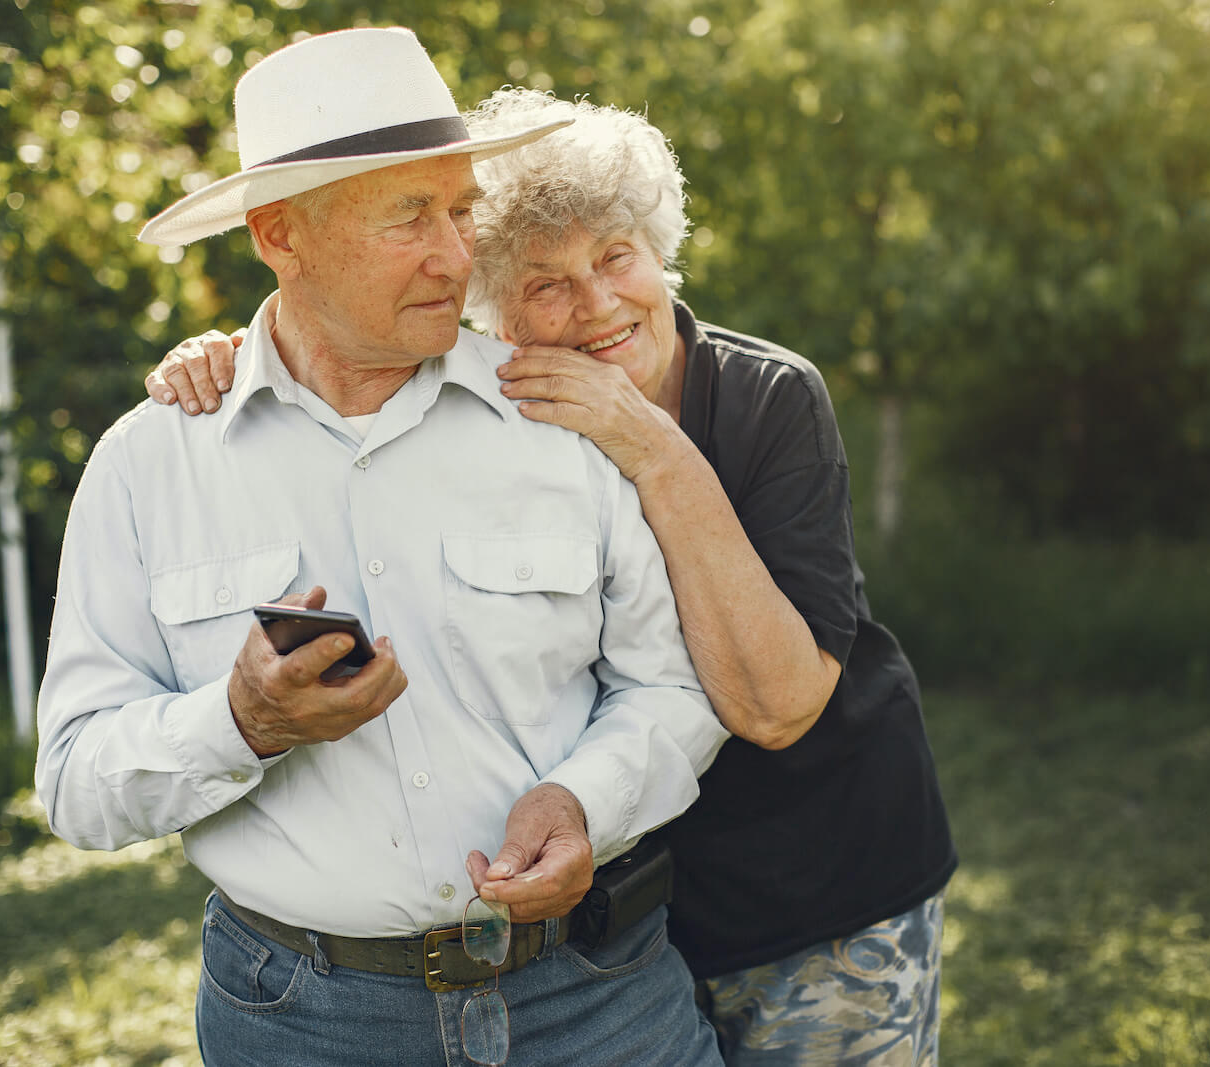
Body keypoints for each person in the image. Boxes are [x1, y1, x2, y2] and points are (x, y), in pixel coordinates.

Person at [150, 90, 958, 1065]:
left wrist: (651, 447)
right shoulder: (505, 410)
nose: (599, 303)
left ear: (657, 246)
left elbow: (780, 706)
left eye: (615, 255)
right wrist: (244, 357)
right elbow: (342, 352)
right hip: (622, 925)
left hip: (821, 892)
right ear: (489, 308)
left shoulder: (765, 398)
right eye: (546, 283)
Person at [36, 29, 732, 1067]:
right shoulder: (149, 465)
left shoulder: (559, 415)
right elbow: (75, 781)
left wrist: (584, 798)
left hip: (597, 1000)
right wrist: (241, 722)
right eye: (410, 215)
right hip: (301, 1023)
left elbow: (674, 685)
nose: (457, 254)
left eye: (459, 208)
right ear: (281, 233)